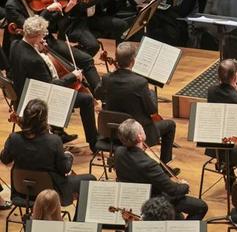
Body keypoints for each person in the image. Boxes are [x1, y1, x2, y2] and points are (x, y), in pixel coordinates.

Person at [9, 17, 98, 150]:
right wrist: (73, 76)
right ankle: (94, 142)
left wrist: (38, 48)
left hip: (22, 92)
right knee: (87, 100)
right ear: (36, 36)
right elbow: (51, 86)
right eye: (42, 34)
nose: (43, 37)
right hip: (36, 99)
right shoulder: (34, 61)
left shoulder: (15, 45)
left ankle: (58, 131)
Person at [0, 99, 96, 207]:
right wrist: (69, 156)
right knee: (90, 179)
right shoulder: (54, 141)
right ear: (44, 120)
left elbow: (5, 159)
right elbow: (64, 169)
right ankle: (78, 218)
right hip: (51, 194)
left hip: (22, 193)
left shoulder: (14, 138)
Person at [96, 42, 177, 165]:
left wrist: (111, 73)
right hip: (135, 134)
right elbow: (152, 110)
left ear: (117, 60)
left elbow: (97, 94)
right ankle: (164, 167)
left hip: (112, 133)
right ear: (133, 61)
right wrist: (152, 95)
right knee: (170, 125)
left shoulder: (107, 79)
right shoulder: (140, 82)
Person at [114, 119, 208, 220]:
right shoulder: (148, 164)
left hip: (131, 196)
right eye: (142, 129)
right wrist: (185, 186)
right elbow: (173, 190)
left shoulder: (118, 152)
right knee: (201, 207)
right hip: (153, 202)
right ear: (139, 137)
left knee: (178, 216)